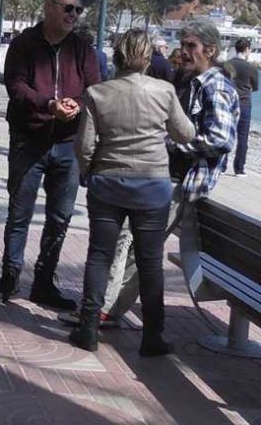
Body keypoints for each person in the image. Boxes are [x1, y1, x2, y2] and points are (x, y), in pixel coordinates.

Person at [93, 18, 240, 331]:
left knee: (138, 247)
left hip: (183, 182)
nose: (183, 52)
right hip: (163, 177)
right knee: (133, 245)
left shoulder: (215, 87)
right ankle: (108, 308)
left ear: (210, 50)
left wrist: (173, 145)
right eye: (183, 44)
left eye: (191, 46)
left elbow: (221, 139)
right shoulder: (189, 82)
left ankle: (107, 310)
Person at [68, 29, 194, 356]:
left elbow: (83, 145)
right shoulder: (164, 91)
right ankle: (153, 335)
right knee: (150, 261)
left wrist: (89, 170)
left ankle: (89, 328)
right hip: (152, 187)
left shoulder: (97, 93)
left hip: (108, 183)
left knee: (100, 255)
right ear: (147, 56)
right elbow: (185, 134)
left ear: (117, 55)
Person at [0, 0, 101, 309]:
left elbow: (95, 88)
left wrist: (74, 105)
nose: (73, 16)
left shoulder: (82, 48)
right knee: (19, 213)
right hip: (29, 141)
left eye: (77, 10)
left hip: (68, 145)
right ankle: (9, 278)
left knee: (60, 217)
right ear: (48, 8)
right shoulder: (23, 44)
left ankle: (44, 283)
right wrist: (48, 104)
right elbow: (16, 85)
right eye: (67, 9)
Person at [225, 38, 257, 176]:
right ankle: (239, 169)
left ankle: (221, 166)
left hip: (228, 102)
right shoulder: (250, 67)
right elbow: (255, 87)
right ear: (246, 49)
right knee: (242, 137)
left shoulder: (227, 65)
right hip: (244, 103)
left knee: (226, 134)